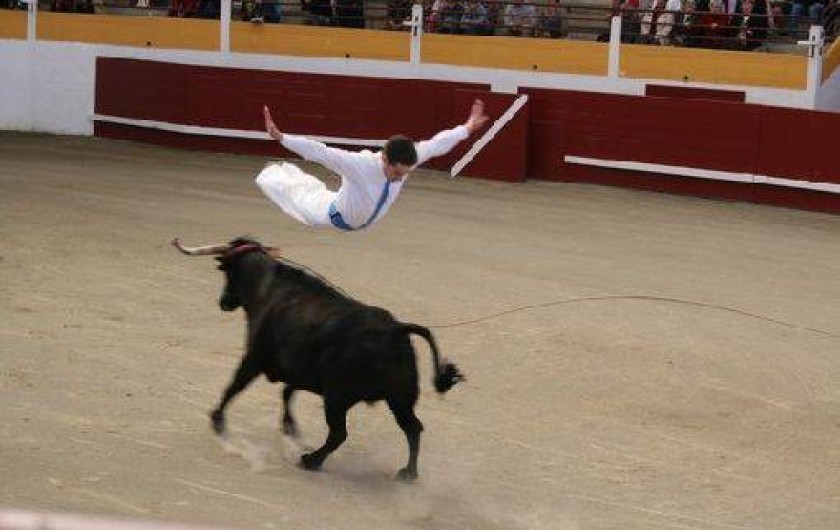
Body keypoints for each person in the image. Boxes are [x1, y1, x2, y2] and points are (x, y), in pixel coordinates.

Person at [257, 99, 489, 231]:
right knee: (296, 195)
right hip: (336, 216)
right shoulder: (360, 164)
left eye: (404, 174)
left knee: (309, 191)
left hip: (362, 220)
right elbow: (320, 152)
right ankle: (270, 174)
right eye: (397, 173)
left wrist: (467, 128)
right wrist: (281, 137)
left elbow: (438, 143)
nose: (400, 178)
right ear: (385, 159)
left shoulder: (410, 157)